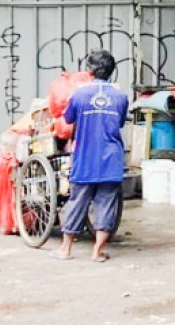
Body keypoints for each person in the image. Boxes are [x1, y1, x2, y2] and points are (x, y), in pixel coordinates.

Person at [55, 50, 130, 262]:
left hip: (85, 156)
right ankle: (97, 252)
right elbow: (121, 122)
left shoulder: (78, 94)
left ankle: (66, 249)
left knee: (77, 201)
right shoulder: (121, 96)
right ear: (111, 72)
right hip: (111, 158)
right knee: (106, 204)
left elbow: (67, 119)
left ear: (89, 71)